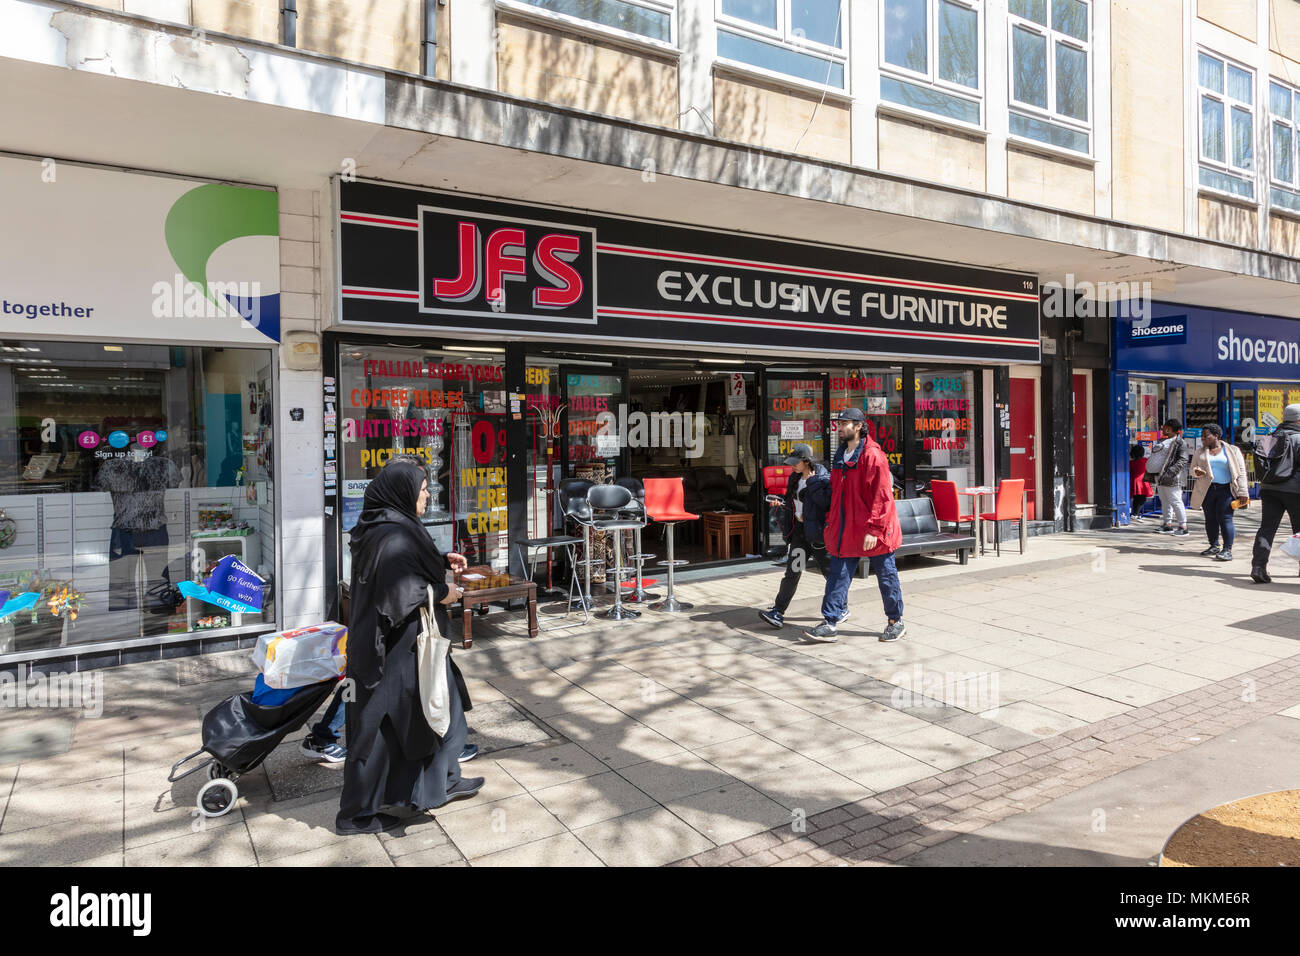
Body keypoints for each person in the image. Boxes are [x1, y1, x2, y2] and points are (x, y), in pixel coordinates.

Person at [335, 457, 482, 835]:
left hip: (412, 643)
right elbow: (400, 594)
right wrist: (443, 590)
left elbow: (403, 569)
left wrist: (440, 561)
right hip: (394, 651)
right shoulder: (393, 534)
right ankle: (356, 816)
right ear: (403, 493)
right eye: (421, 488)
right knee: (379, 728)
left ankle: (444, 780)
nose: (428, 493)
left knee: (445, 706)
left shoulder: (387, 524)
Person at [803, 408, 904, 644]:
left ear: (859, 426)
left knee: (886, 577)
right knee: (837, 576)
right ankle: (830, 622)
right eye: (839, 423)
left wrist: (874, 530)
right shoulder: (840, 455)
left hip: (874, 529)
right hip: (846, 529)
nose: (840, 427)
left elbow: (882, 497)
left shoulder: (873, 456)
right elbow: (837, 494)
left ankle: (895, 621)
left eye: (845, 423)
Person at [760, 443, 831, 629]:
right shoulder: (795, 477)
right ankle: (778, 611)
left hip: (817, 535)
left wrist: (813, 484)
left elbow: (825, 504)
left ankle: (841, 607)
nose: (792, 466)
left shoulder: (822, 478)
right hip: (800, 534)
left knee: (830, 573)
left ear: (807, 461)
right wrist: (781, 502)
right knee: (793, 572)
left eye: (796, 462)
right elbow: (794, 502)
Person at [1250, 403, 1300, 584]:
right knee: (1299, 531)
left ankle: (1258, 567)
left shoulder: (1271, 436)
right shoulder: (1299, 439)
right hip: (1295, 491)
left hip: (1269, 488)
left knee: (1267, 528)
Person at [1189, 423, 1249, 562]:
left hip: (1227, 490)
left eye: (1206, 436)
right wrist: (1196, 472)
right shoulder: (1200, 451)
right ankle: (1214, 545)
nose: (1203, 438)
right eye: (1202, 436)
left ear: (1216, 436)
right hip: (1207, 490)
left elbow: (1241, 472)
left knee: (1225, 518)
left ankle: (1227, 549)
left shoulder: (1232, 450)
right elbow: (1192, 469)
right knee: (1210, 519)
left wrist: (1243, 493)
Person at [1153, 419, 1190, 537]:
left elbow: (1183, 459)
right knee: (1164, 500)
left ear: (1169, 428)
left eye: (1164, 427)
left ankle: (1183, 526)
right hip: (1161, 475)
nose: (1162, 428)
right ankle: (1167, 524)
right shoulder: (1163, 440)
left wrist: (1171, 472)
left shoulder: (1180, 442)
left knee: (1175, 500)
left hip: (1173, 477)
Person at [1129, 444, 1153, 522]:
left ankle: (1136, 513)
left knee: (1136, 498)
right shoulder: (1145, 461)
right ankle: (1136, 514)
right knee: (1142, 499)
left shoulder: (1131, 463)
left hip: (1134, 481)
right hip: (1143, 482)